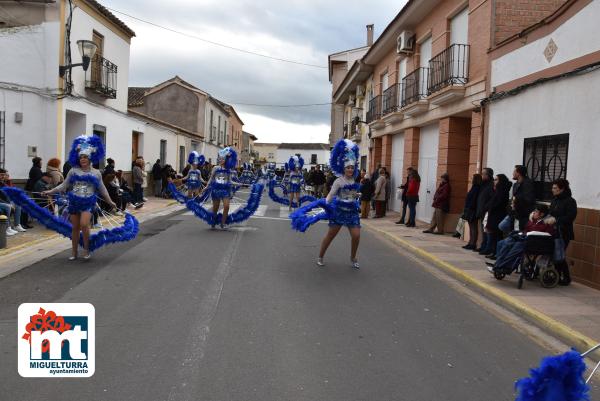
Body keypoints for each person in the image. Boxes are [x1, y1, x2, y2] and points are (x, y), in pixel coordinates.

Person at [42, 136, 116, 260]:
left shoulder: (96, 173)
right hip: (74, 202)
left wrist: (110, 201)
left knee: (84, 224)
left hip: (88, 202)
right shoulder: (73, 171)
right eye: (81, 157)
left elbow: (102, 189)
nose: (83, 159)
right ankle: (74, 252)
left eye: (85, 157)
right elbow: (64, 185)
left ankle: (87, 249)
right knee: (75, 227)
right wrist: (50, 191)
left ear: (90, 158)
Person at [312, 139, 361, 268]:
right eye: (348, 168)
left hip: (352, 212)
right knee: (331, 235)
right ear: (344, 168)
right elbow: (331, 194)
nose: (350, 170)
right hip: (339, 211)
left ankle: (353, 258)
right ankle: (320, 256)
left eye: (352, 167)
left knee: (356, 236)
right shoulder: (338, 181)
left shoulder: (354, 181)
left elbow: (352, 195)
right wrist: (325, 204)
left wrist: (356, 195)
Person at [487, 204, 555, 272]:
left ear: (542, 214)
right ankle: (497, 265)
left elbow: (548, 236)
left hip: (534, 243)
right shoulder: (532, 221)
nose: (534, 213)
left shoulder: (547, 224)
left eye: (536, 211)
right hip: (524, 239)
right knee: (502, 243)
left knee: (515, 247)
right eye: (534, 211)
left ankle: (504, 267)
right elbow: (526, 230)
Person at [549, 178, 577, 285]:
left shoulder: (570, 201)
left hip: (564, 232)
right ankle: (557, 276)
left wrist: (557, 220)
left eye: (555, 188)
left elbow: (571, 217)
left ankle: (566, 277)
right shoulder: (555, 200)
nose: (552, 190)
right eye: (552, 188)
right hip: (553, 231)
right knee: (555, 254)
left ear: (562, 189)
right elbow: (551, 213)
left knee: (559, 255)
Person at [201, 147, 237, 229]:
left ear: (226, 159)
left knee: (227, 206)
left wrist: (240, 183)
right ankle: (213, 221)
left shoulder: (229, 170)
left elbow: (230, 181)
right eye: (220, 158)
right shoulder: (215, 168)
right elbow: (211, 178)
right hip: (216, 190)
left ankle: (223, 223)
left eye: (223, 158)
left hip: (225, 191)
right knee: (215, 208)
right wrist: (206, 187)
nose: (221, 160)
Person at [481, 174, 511, 259]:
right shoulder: (497, 190)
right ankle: (493, 251)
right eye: (494, 179)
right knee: (493, 234)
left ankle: (497, 253)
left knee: (498, 235)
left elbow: (498, 203)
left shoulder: (503, 191)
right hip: (493, 214)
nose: (494, 181)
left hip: (498, 215)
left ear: (501, 181)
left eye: (496, 179)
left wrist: (490, 207)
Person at [0, 168, 26, 235]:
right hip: (2, 202)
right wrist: (9, 203)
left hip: (4, 201)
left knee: (18, 205)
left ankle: (17, 225)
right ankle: (6, 228)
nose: (3, 177)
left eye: (4, 175)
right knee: (7, 206)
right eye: (1, 175)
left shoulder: (3, 183)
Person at [475, 168, 494, 253]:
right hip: (481, 210)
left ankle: (485, 247)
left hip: (486, 211)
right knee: (482, 230)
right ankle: (482, 246)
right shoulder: (483, 184)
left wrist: (485, 207)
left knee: (485, 231)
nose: (482, 176)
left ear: (488, 175)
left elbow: (491, 199)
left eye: (483, 174)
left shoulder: (491, 185)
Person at [511, 165, 536, 231]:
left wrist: (516, 200)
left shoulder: (528, 183)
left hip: (524, 214)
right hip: (516, 213)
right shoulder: (516, 184)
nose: (512, 173)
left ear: (518, 173)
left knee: (521, 232)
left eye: (514, 171)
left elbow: (528, 199)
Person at [462, 174, 482, 249]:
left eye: (472, 178)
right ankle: (470, 242)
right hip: (470, 210)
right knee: (471, 227)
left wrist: (469, 208)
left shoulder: (477, 188)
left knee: (473, 227)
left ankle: (473, 243)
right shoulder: (474, 187)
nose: (471, 179)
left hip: (472, 210)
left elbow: (473, 200)